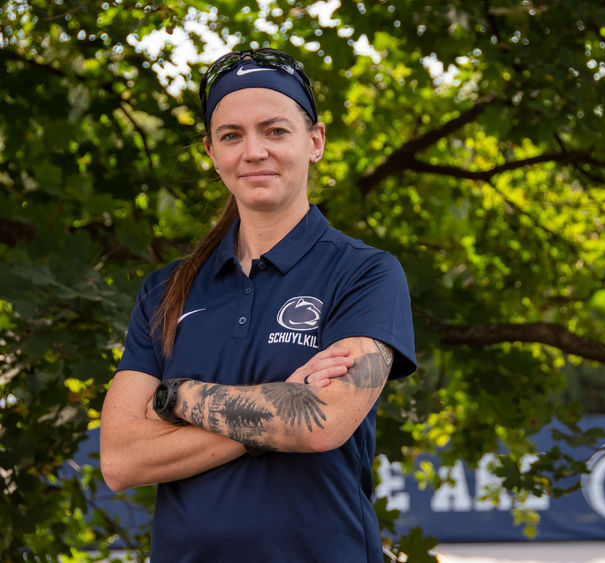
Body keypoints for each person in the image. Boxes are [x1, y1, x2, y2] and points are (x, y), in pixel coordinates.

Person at [100, 48, 416, 561]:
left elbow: (322, 424)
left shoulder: (366, 273)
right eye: (232, 135)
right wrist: (278, 405)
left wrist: (176, 399)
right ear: (211, 151)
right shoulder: (165, 291)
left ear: (314, 142)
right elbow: (120, 460)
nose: (253, 152)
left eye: (275, 131)